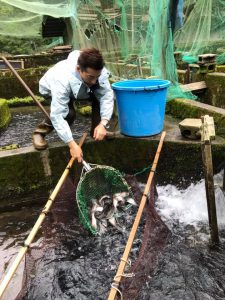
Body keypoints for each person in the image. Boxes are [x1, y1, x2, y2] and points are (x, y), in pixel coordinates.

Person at [32, 48, 114, 162]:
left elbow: (106, 96)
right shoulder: (61, 79)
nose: (95, 81)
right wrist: (72, 145)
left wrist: (103, 124)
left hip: (82, 88)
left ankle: (97, 130)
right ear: (78, 69)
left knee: (99, 96)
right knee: (68, 114)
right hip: (51, 89)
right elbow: (58, 115)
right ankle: (39, 133)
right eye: (91, 76)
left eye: (97, 76)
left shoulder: (98, 72)